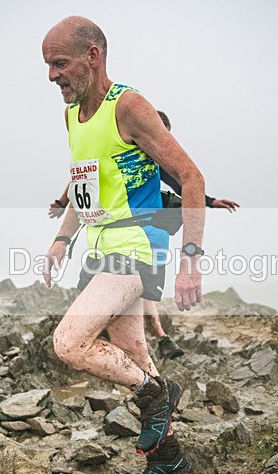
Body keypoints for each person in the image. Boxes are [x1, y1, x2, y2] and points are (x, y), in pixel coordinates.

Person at [42, 16, 206, 474]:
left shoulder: (128, 106)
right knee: (134, 356)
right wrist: (61, 239)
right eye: (48, 65)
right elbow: (85, 189)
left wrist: (190, 260)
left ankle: (159, 395)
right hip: (100, 248)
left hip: (137, 246)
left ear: (93, 56)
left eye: (60, 63)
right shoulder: (73, 116)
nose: (52, 76)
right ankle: (168, 460)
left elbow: (192, 178)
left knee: (69, 343)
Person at [48, 110, 239, 359]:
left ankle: (160, 336)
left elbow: (182, 181)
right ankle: (158, 342)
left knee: (138, 289)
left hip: (144, 236)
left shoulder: (153, 161)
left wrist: (209, 201)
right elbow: (82, 178)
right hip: (114, 238)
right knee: (132, 299)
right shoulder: (124, 149)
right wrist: (63, 204)